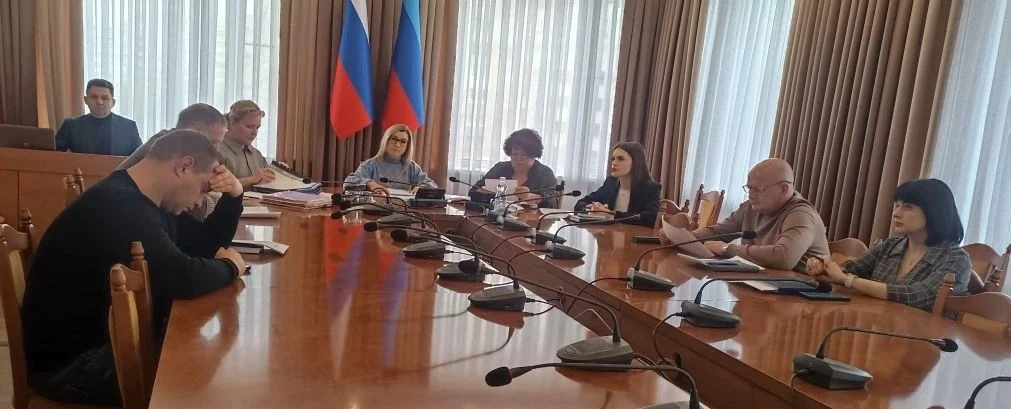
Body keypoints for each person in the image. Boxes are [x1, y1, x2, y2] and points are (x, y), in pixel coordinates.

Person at [21, 130, 249, 405]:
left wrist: (234, 196)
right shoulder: (119, 206)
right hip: (69, 365)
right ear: (184, 166)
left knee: (206, 365)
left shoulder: (147, 201)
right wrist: (230, 267)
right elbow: (182, 278)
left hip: (95, 343)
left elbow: (202, 247)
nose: (201, 201)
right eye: (203, 189)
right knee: (206, 383)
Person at [807, 179, 971, 312]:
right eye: (897, 205)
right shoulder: (891, 245)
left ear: (934, 212)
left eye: (907, 207)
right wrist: (823, 269)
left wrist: (847, 280)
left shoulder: (955, 258)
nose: (896, 213)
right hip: (878, 327)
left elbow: (920, 296)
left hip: (922, 337)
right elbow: (850, 270)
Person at [659, 158, 830, 272]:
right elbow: (717, 232)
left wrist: (727, 249)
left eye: (758, 189)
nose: (751, 195)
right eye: (749, 188)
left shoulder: (801, 214)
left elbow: (784, 258)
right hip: (761, 286)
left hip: (800, 299)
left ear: (783, 189)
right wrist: (681, 238)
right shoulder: (751, 207)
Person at [117, 103, 229, 220]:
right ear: (196, 132)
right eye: (214, 142)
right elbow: (195, 212)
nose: (216, 150)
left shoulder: (172, 143)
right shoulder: (169, 153)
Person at [574, 142, 660, 227]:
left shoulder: (651, 188)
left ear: (636, 162)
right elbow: (580, 203)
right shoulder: (611, 183)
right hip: (608, 233)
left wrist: (612, 215)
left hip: (633, 235)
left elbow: (650, 218)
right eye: (613, 159)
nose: (614, 163)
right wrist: (592, 209)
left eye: (621, 159)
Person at [469, 128, 560, 208]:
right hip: (499, 216)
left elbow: (553, 202)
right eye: (515, 154)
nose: (518, 158)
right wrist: (481, 191)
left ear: (534, 155)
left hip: (532, 220)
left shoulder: (545, 173)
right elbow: (473, 191)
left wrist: (530, 197)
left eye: (524, 155)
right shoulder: (500, 168)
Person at [343, 124, 438, 196]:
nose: (397, 145)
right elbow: (348, 182)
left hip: (403, 210)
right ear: (386, 140)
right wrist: (370, 184)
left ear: (407, 146)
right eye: (394, 139)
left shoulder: (411, 167)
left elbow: (433, 185)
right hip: (376, 208)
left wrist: (422, 187)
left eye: (403, 142)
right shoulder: (371, 164)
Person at [54, 79, 142, 156]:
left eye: (104, 98)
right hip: (81, 170)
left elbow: (140, 158)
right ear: (85, 100)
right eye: (94, 97)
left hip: (119, 170)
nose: (99, 102)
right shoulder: (71, 126)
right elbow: (54, 155)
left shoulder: (129, 127)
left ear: (113, 102)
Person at [218, 100, 275, 188]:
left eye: (257, 127)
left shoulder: (256, 154)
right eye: (249, 126)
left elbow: (266, 183)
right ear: (232, 123)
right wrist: (251, 180)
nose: (255, 132)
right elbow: (212, 189)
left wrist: (278, 173)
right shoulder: (216, 150)